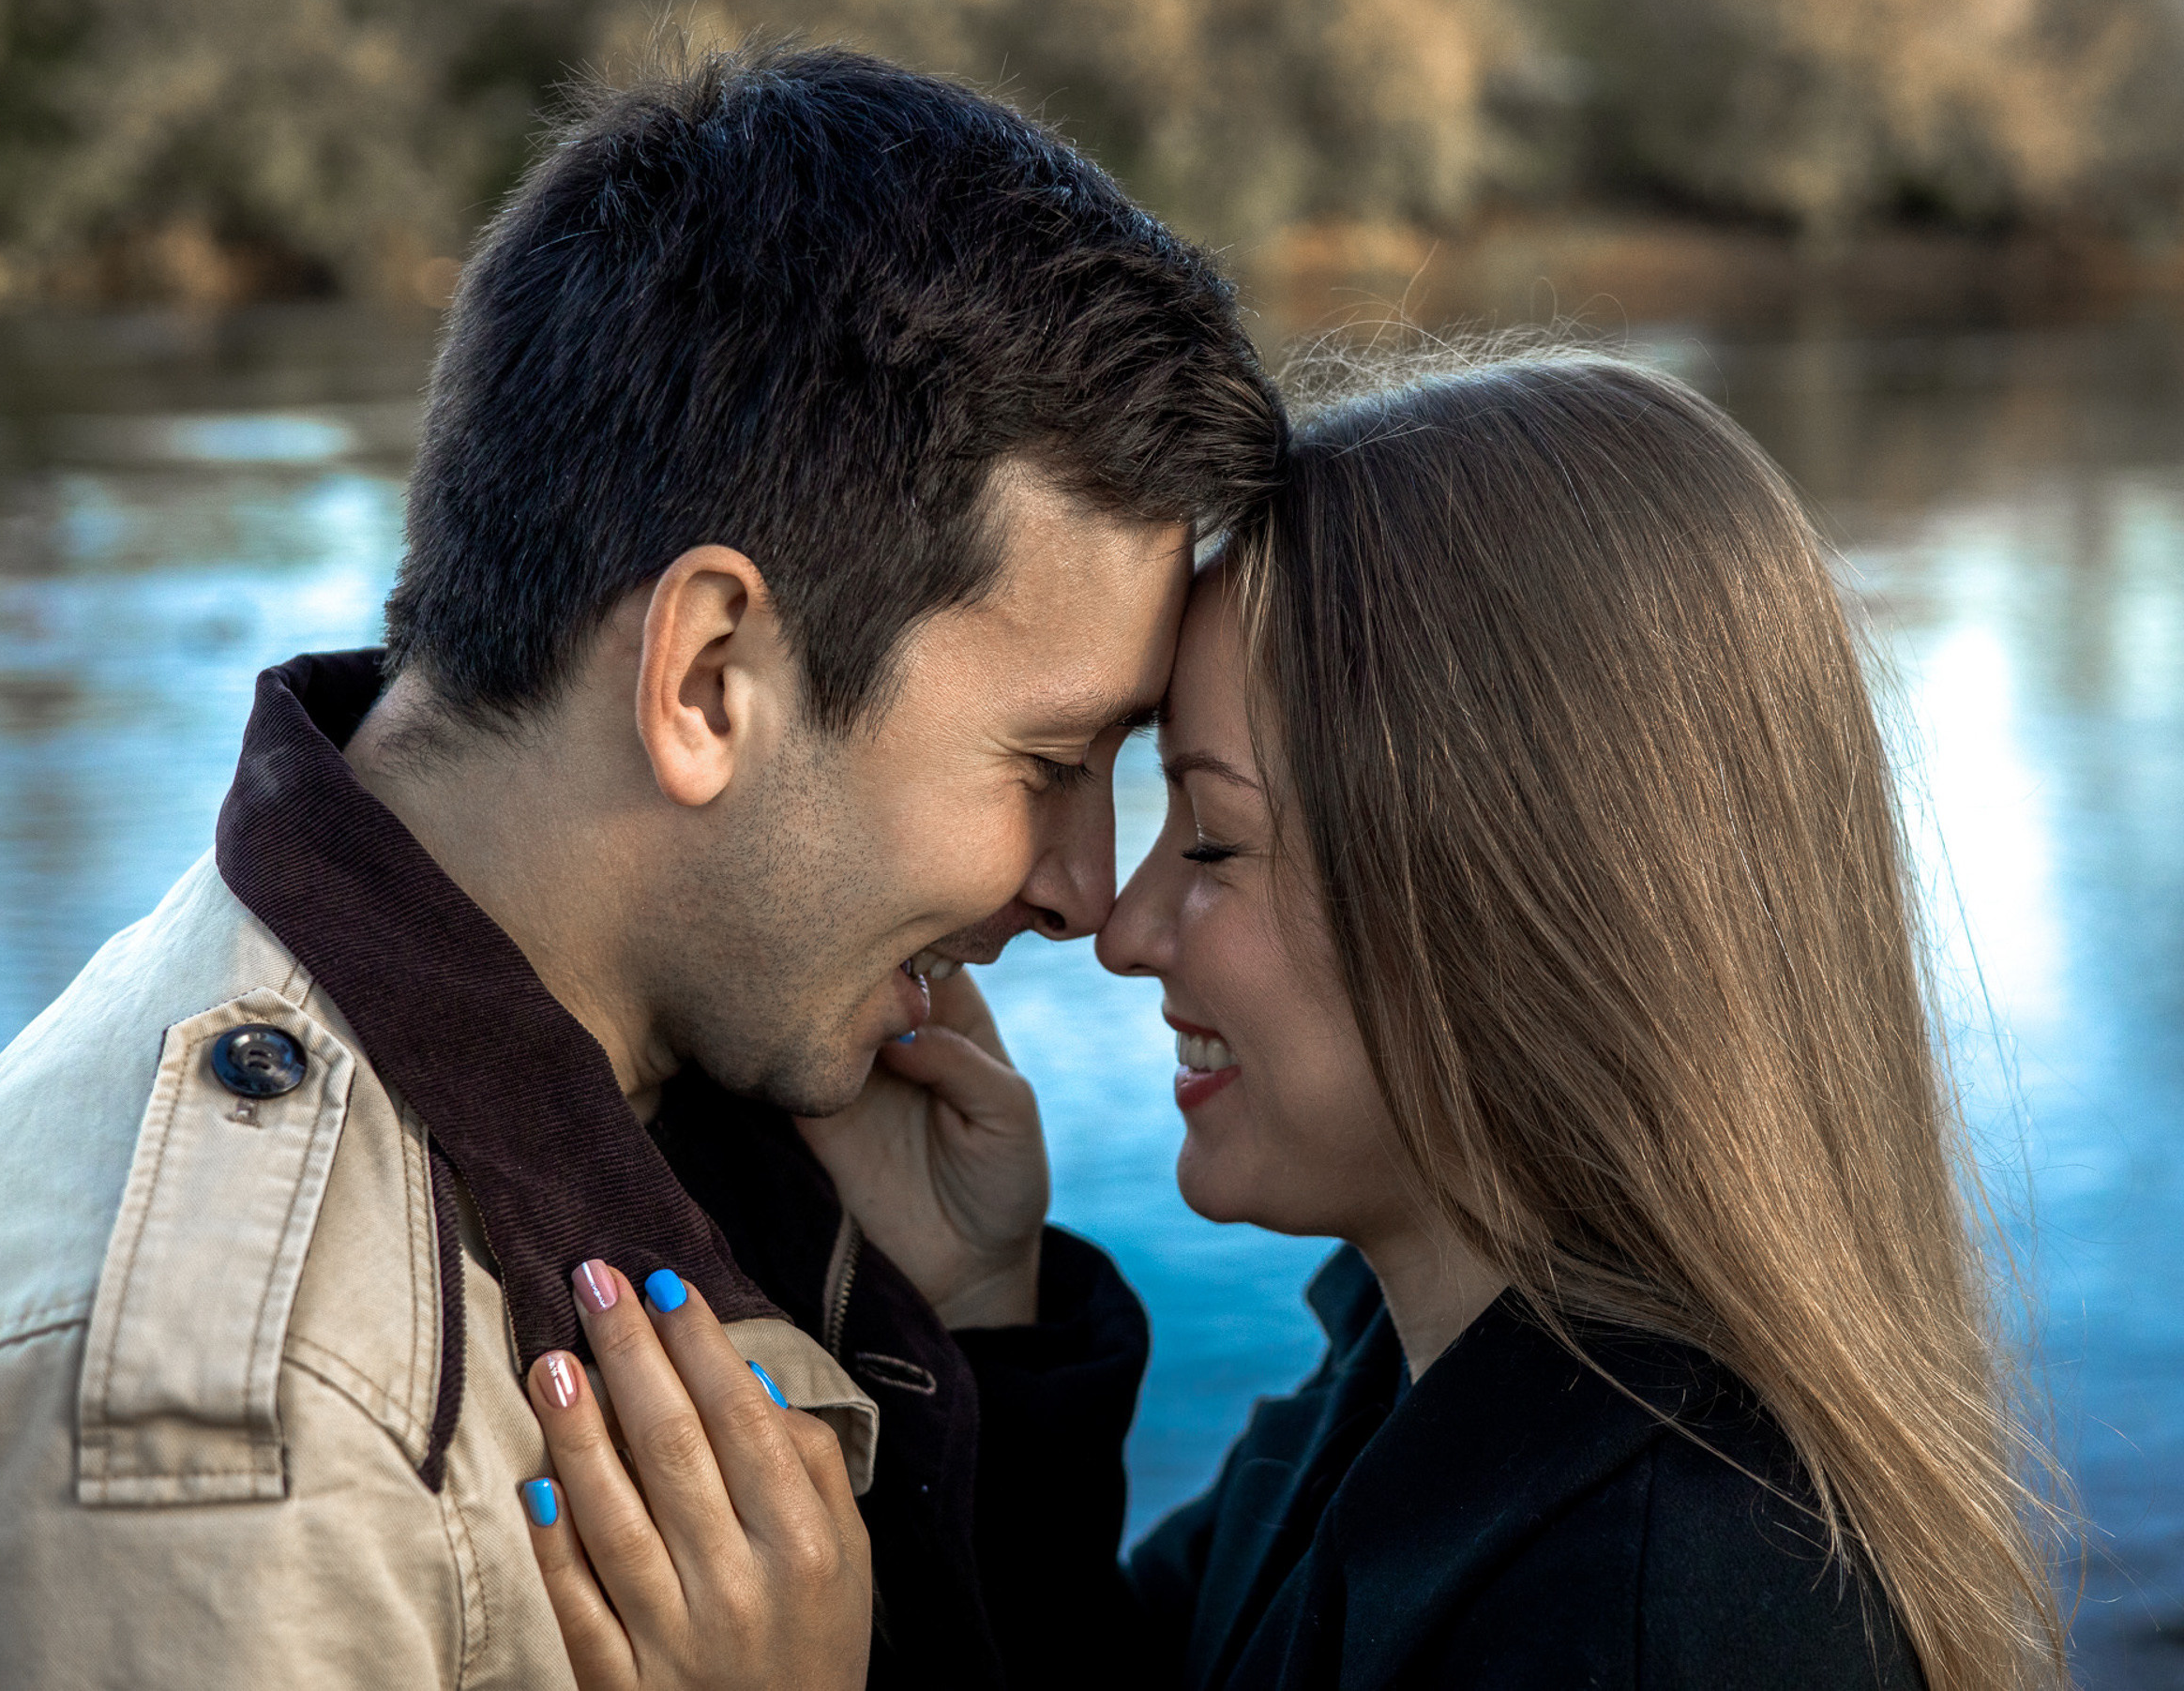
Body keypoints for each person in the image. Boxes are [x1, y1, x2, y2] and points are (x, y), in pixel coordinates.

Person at [0, 43, 1281, 1690]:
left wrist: (955, 1340)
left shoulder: (673, 1074)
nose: (1084, 889)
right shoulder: (249, 1453)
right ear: (709, 678)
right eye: (1052, 765)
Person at [568, 349, 2070, 1689]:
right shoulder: (1415, 1389)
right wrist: (983, 1315)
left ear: (1506, 900)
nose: (1123, 926)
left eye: (1210, 841)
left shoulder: (1668, 1605)